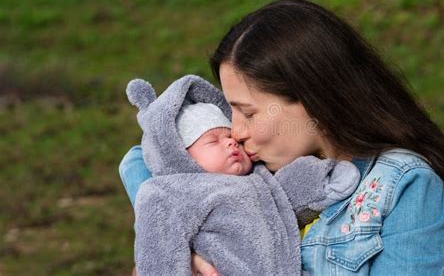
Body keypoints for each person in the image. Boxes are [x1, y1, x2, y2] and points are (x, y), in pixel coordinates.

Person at [120, 0, 444, 275]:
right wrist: (186, 247)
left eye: (249, 112)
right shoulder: (251, 169)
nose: (236, 132)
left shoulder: (403, 188)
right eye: (231, 111)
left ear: (311, 98)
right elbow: (146, 159)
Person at [121, 76, 360, 275]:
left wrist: (323, 179)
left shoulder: (259, 175)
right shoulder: (175, 192)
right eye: (213, 141)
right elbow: (158, 248)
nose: (231, 144)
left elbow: (286, 196)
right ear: (182, 157)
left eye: (231, 139)